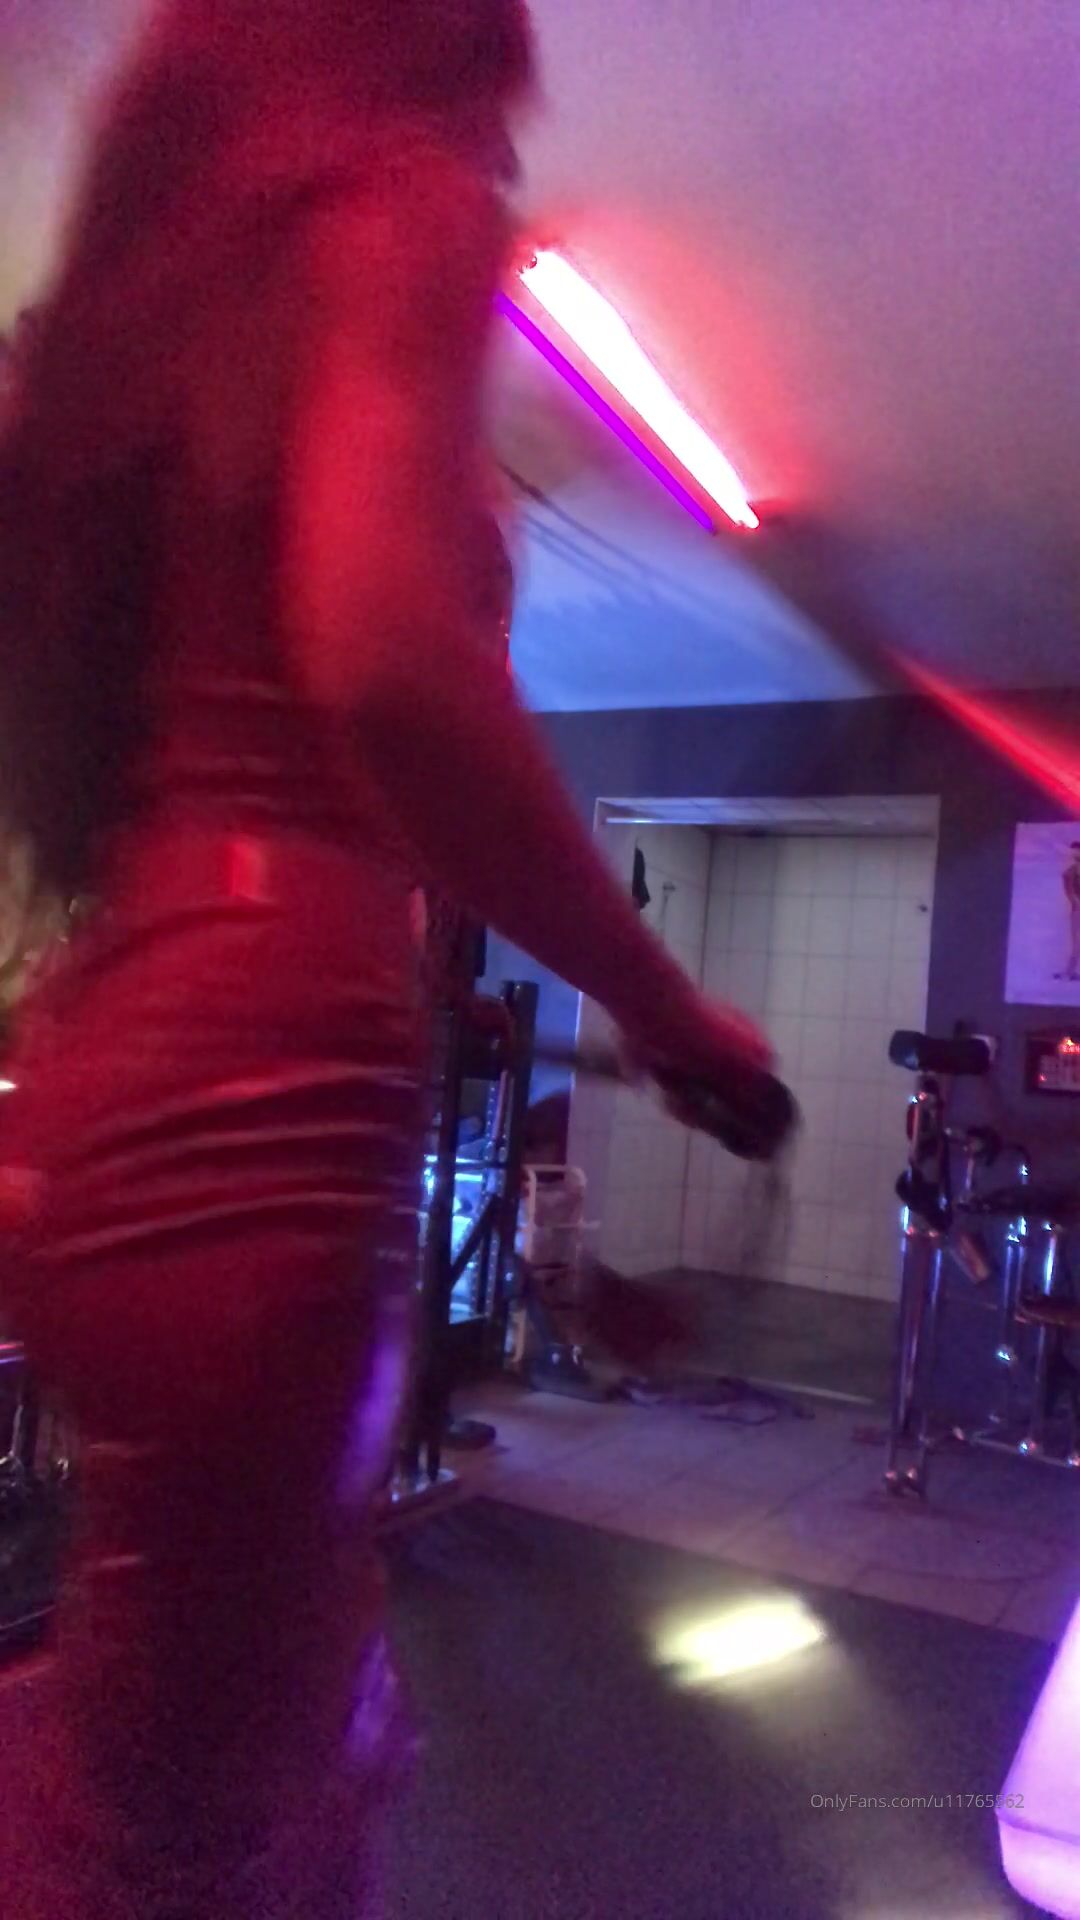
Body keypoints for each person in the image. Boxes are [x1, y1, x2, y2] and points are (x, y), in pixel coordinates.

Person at [0, 2, 771, 1914]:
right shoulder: (394, 209)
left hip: (122, 1052)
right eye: (490, 92)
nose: (503, 144)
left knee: (173, 1715)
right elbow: (389, 666)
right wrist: (664, 1003)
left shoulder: (144, 337)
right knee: (203, 1821)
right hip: (266, 1084)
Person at [1057, 842, 1080, 982]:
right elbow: (1070, 892)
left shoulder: (1070, 871)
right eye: (1074, 852)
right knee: (1076, 942)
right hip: (1077, 910)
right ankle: (1069, 971)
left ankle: (1070, 972)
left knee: (1076, 942)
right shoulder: (1069, 872)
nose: (1075, 854)